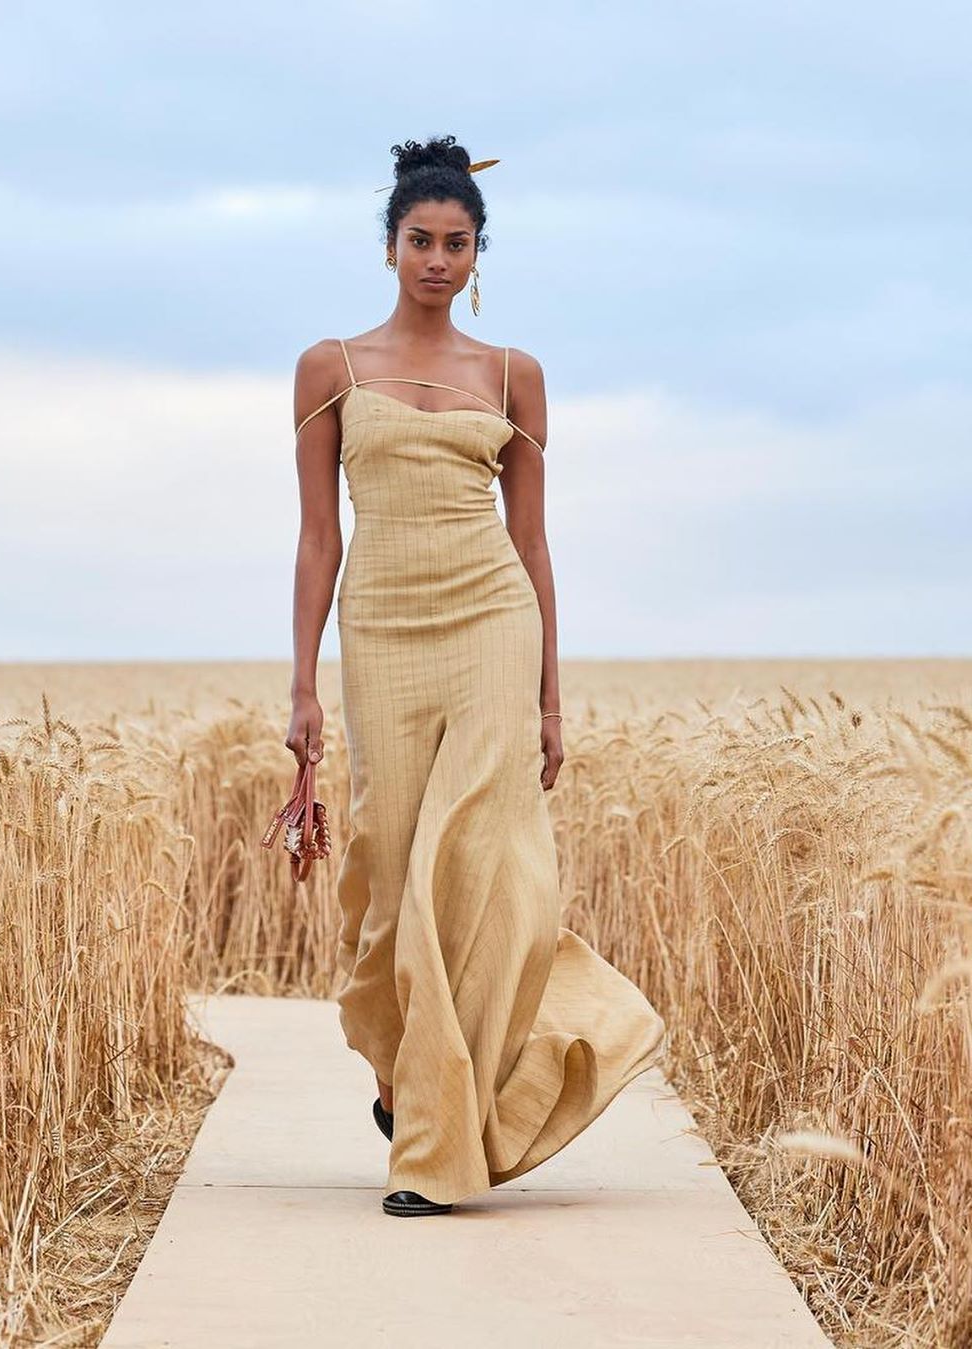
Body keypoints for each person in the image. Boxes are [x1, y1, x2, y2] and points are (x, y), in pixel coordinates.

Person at [286, 134, 667, 1217]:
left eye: (457, 243)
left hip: (494, 622)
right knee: (390, 865)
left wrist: (552, 695)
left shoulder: (514, 376)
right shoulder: (333, 369)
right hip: (382, 631)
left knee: (487, 865)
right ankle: (410, 1076)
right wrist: (303, 687)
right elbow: (319, 540)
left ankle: (434, 1148)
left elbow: (535, 544)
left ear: (478, 254)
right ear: (390, 246)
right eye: (420, 240)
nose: (437, 259)